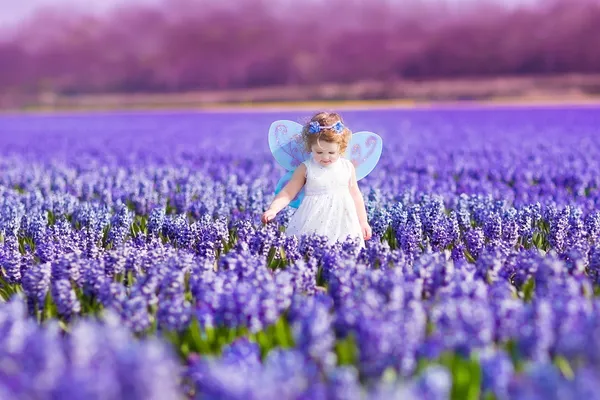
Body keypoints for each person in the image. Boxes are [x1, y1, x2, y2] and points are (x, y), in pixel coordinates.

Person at [261, 111, 372, 247]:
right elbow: (288, 192)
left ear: (341, 148)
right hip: (312, 220)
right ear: (310, 148)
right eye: (319, 152)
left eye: (331, 152)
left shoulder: (347, 167)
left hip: (343, 221)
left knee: (346, 250)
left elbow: (355, 195)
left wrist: (363, 222)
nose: (325, 157)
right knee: (309, 250)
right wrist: (273, 209)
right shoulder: (306, 168)